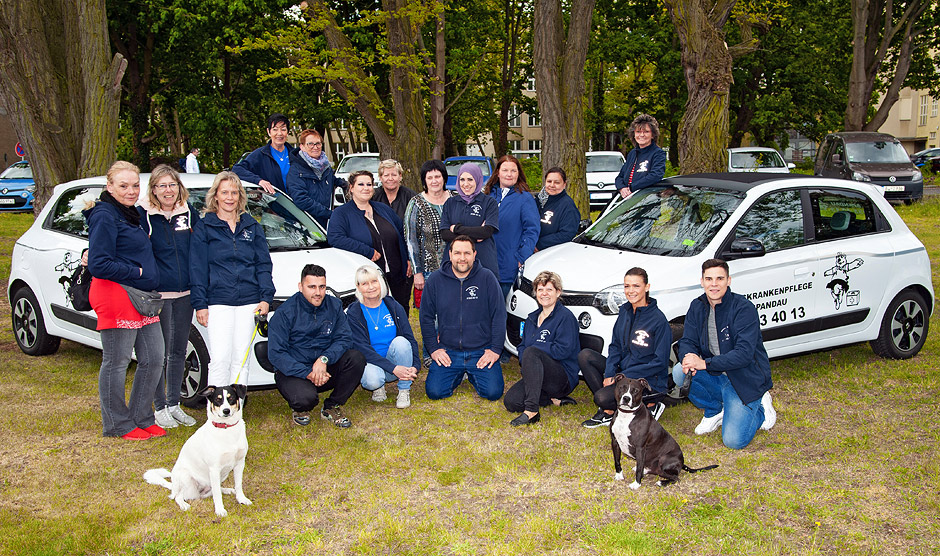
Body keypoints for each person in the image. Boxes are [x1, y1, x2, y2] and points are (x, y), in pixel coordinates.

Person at [84, 161, 165, 440]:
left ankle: (142, 416)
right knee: (116, 362)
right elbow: (98, 263)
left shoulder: (130, 213)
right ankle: (117, 424)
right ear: (109, 187)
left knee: (154, 358)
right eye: (123, 186)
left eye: (134, 186)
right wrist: (138, 272)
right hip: (116, 293)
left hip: (141, 297)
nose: (131, 191)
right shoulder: (105, 215)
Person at [673, 258, 777, 449]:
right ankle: (714, 410)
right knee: (680, 371)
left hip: (743, 379)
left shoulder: (743, 308)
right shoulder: (697, 306)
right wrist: (688, 357)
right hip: (716, 374)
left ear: (728, 281)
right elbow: (687, 340)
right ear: (702, 281)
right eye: (709, 279)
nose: (714, 284)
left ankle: (761, 407)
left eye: (719, 278)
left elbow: (744, 354)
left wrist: (704, 364)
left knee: (734, 441)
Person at [190, 171, 275, 388]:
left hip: (249, 301)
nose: (229, 197)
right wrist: (200, 304)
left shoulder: (251, 226)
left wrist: (266, 297)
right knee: (220, 359)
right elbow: (197, 268)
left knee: (241, 360)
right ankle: (217, 414)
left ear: (240, 196)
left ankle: (236, 411)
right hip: (218, 302)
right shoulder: (204, 227)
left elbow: (263, 264)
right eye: (224, 192)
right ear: (215, 196)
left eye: (234, 193)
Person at [268, 264, 366, 427]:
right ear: (301, 287)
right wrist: (308, 373)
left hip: (324, 367)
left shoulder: (334, 305)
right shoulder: (285, 313)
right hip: (295, 371)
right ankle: (300, 408)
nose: (318, 292)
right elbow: (276, 354)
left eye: (322, 287)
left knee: (356, 358)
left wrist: (324, 359)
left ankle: (332, 406)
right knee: (305, 400)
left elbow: (344, 338)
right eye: (311, 287)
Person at [140, 164, 199, 429]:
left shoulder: (188, 213)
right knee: (158, 353)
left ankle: (174, 404)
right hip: (158, 295)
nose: (168, 190)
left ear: (179, 187)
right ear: (153, 189)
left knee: (178, 351)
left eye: (172, 185)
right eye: (162, 186)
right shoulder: (143, 215)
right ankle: (159, 407)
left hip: (185, 292)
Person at [580, 267, 671, 428]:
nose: (631, 291)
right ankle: (609, 410)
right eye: (627, 286)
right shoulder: (625, 311)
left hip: (647, 379)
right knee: (585, 356)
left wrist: (620, 377)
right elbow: (615, 346)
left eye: (636, 286)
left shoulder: (658, 320)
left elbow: (660, 362)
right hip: (623, 372)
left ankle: (652, 405)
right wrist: (609, 373)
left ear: (647, 287)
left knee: (600, 398)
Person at [419, 236, 506, 401]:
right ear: (450, 254)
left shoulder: (487, 278)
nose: (462, 258)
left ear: (474, 254)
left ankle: (472, 374)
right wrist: (434, 349)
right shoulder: (436, 280)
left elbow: (499, 315)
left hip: (481, 351)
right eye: (457, 253)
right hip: (448, 351)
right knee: (435, 392)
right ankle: (459, 374)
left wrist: (495, 350)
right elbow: (425, 317)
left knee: (493, 393)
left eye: (467, 253)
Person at [503, 271, 580, 426]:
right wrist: (528, 357)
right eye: (540, 290)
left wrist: (535, 349)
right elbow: (523, 346)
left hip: (561, 376)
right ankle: (551, 399)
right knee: (511, 402)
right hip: (537, 374)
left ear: (558, 292)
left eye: (549, 289)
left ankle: (531, 411)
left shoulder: (565, 317)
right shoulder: (532, 318)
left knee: (532, 351)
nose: (544, 294)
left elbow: (563, 350)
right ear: (535, 293)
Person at [327, 170, 412, 310]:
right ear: (351, 187)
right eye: (361, 184)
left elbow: (402, 233)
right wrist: (366, 251)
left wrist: (407, 259)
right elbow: (335, 238)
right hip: (368, 278)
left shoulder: (383, 209)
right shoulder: (341, 213)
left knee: (399, 311)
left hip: (397, 274)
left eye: (369, 184)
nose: (366, 188)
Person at [345, 265, 421, 409]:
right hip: (373, 363)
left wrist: (415, 366)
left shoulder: (393, 306)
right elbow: (363, 349)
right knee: (373, 380)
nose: (371, 287)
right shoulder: (354, 313)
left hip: (395, 363)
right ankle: (378, 387)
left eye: (374, 281)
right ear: (358, 287)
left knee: (401, 342)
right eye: (365, 283)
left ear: (380, 282)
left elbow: (410, 338)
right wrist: (393, 368)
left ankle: (404, 389)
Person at [484, 155, 539, 298]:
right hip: (485, 262)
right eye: (505, 170)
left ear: (518, 173)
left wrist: (521, 257)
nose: (509, 174)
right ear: (498, 172)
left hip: (508, 264)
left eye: (513, 170)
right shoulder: (488, 195)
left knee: (501, 311)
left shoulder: (525, 198)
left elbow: (532, 230)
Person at [403, 159, 454, 311]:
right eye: (429, 177)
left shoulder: (455, 199)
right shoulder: (416, 203)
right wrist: (417, 272)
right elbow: (410, 239)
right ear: (424, 180)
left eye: (437, 176)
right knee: (433, 316)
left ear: (444, 178)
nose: (434, 181)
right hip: (428, 271)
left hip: (456, 268)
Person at [439, 163, 499, 276]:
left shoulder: (489, 203)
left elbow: (487, 231)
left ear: (478, 179)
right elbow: (445, 234)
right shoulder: (450, 203)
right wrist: (475, 237)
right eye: (462, 179)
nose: (465, 184)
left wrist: (456, 228)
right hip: (454, 265)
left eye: (470, 179)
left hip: (483, 261)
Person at [373, 159, 416, 305]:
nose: (390, 178)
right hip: (380, 256)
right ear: (380, 177)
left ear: (400, 176)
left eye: (393, 174)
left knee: (401, 302)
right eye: (386, 175)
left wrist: (410, 259)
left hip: (404, 257)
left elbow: (415, 232)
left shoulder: (411, 198)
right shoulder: (373, 197)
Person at [285, 129, 345, 228]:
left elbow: (332, 180)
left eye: (318, 143)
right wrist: (328, 213)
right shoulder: (296, 170)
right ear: (302, 147)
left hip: (324, 223)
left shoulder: (325, 167)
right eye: (310, 144)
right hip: (305, 224)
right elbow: (301, 199)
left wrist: (348, 184)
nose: (315, 147)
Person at [232, 113, 291, 194]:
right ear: (269, 132)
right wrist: (259, 181)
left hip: (297, 203)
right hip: (276, 203)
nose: (279, 133)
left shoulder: (296, 154)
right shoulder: (260, 154)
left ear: (288, 132)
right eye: (275, 129)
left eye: (283, 129)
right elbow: (237, 169)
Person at [614, 114, 667, 198]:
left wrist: (632, 188)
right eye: (638, 132)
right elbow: (620, 177)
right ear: (634, 134)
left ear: (653, 135)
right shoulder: (632, 153)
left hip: (648, 203)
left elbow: (655, 176)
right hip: (629, 202)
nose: (641, 135)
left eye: (646, 132)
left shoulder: (658, 153)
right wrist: (622, 188)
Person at [535, 167, 580, 251]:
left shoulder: (568, 206)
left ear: (564, 184)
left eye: (557, 182)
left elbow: (567, 234)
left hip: (551, 252)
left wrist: (539, 245)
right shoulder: (538, 201)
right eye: (549, 181)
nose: (552, 185)